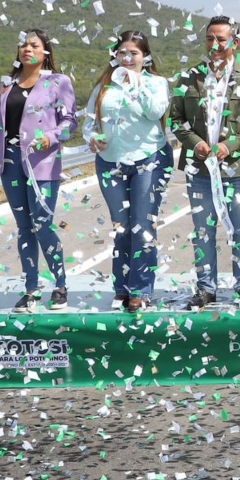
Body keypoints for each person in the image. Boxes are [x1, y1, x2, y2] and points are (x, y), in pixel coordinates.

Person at [170, 16, 240, 311]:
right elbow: (175, 119)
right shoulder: (189, 78)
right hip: (199, 170)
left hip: (239, 169)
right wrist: (193, 143)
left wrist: (230, 145)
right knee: (203, 231)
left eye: (221, 39)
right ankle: (206, 288)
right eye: (210, 38)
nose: (214, 45)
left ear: (234, 43)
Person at [82, 31, 172, 313]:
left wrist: (137, 84)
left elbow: (155, 112)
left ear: (145, 57)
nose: (127, 57)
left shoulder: (157, 83)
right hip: (111, 162)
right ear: (115, 56)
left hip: (149, 158)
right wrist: (91, 138)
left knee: (142, 226)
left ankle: (141, 289)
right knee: (121, 228)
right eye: (122, 52)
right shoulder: (104, 86)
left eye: (134, 53)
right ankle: (121, 287)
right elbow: (89, 121)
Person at [0, 29, 78, 313]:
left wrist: (50, 137)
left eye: (34, 45)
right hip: (10, 162)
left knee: (42, 224)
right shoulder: (7, 84)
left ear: (45, 51)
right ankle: (30, 289)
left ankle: (60, 285)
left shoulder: (58, 82)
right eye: (23, 45)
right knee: (24, 227)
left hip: (42, 162)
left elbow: (69, 122)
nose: (27, 49)